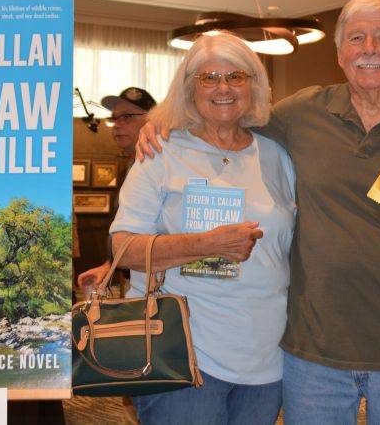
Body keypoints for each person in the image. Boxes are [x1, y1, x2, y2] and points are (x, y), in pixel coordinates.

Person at [139, 0, 380, 423]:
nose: (370, 49)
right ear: (340, 53)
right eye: (357, 38)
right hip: (312, 357)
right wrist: (160, 120)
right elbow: (225, 108)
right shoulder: (301, 114)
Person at [111, 34, 296, 424]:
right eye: (209, 77)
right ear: (189, 87)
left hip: (266, 356)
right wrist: (206, 244)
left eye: (236, 76)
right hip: (184, 352)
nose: (223, 87)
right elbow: (123, 249)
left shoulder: (278, 155)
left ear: (254, 85)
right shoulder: (161, 152)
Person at [75, 87, 156, 290]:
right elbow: (127, 228)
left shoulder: (162, 166)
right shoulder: (133, 165)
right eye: (115, 118)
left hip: (160, 284)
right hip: (135, 278)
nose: (117, 125)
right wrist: (110, 264)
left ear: (152, 119)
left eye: (127, 117)